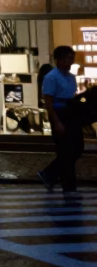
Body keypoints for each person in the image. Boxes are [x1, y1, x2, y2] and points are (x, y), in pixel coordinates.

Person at [39, 47, 82, 196]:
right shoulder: (51, 77)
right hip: (59, 114)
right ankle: (68, 186)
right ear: (58, 60)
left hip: (71, 115)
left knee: (77, 149)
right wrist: (56, 121)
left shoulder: (71, 77)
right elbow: (48, 102)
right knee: (65, 151)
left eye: (71, 58)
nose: (69, 62)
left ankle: (49, 174)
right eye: (66, 59)